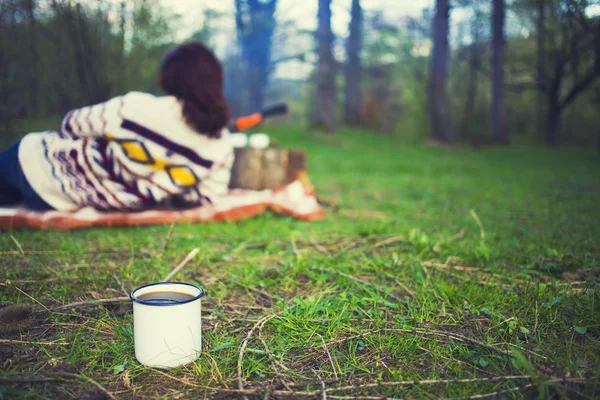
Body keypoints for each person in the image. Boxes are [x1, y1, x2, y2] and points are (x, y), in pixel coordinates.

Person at [0, 42, 233, 212]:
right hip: (60, 201)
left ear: (169, 77)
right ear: (216, 82)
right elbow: (205, 197)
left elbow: (71, 124)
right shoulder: (222, 145)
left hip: (33, 161)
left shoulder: (134, 108)